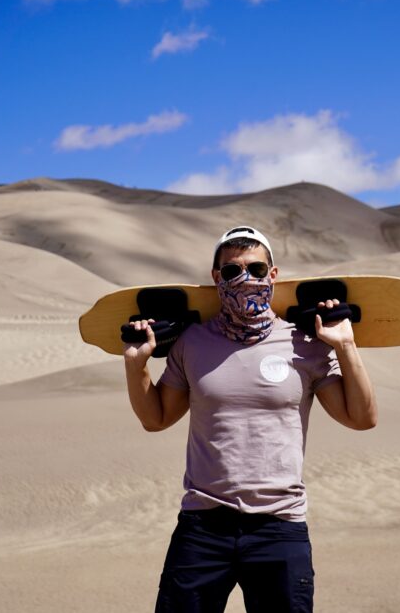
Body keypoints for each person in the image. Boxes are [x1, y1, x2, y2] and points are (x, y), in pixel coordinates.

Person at [123, 225, 377, 613]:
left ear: (273, 275)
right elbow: (156, 419)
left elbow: (361, 419)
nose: (245, 279)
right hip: (203, 526)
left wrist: (345, 345)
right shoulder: (192, 343)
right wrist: (136, 367)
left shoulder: (305, 344)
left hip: (279, 527)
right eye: (231, 272)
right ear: (216, 278)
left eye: (257, 271)